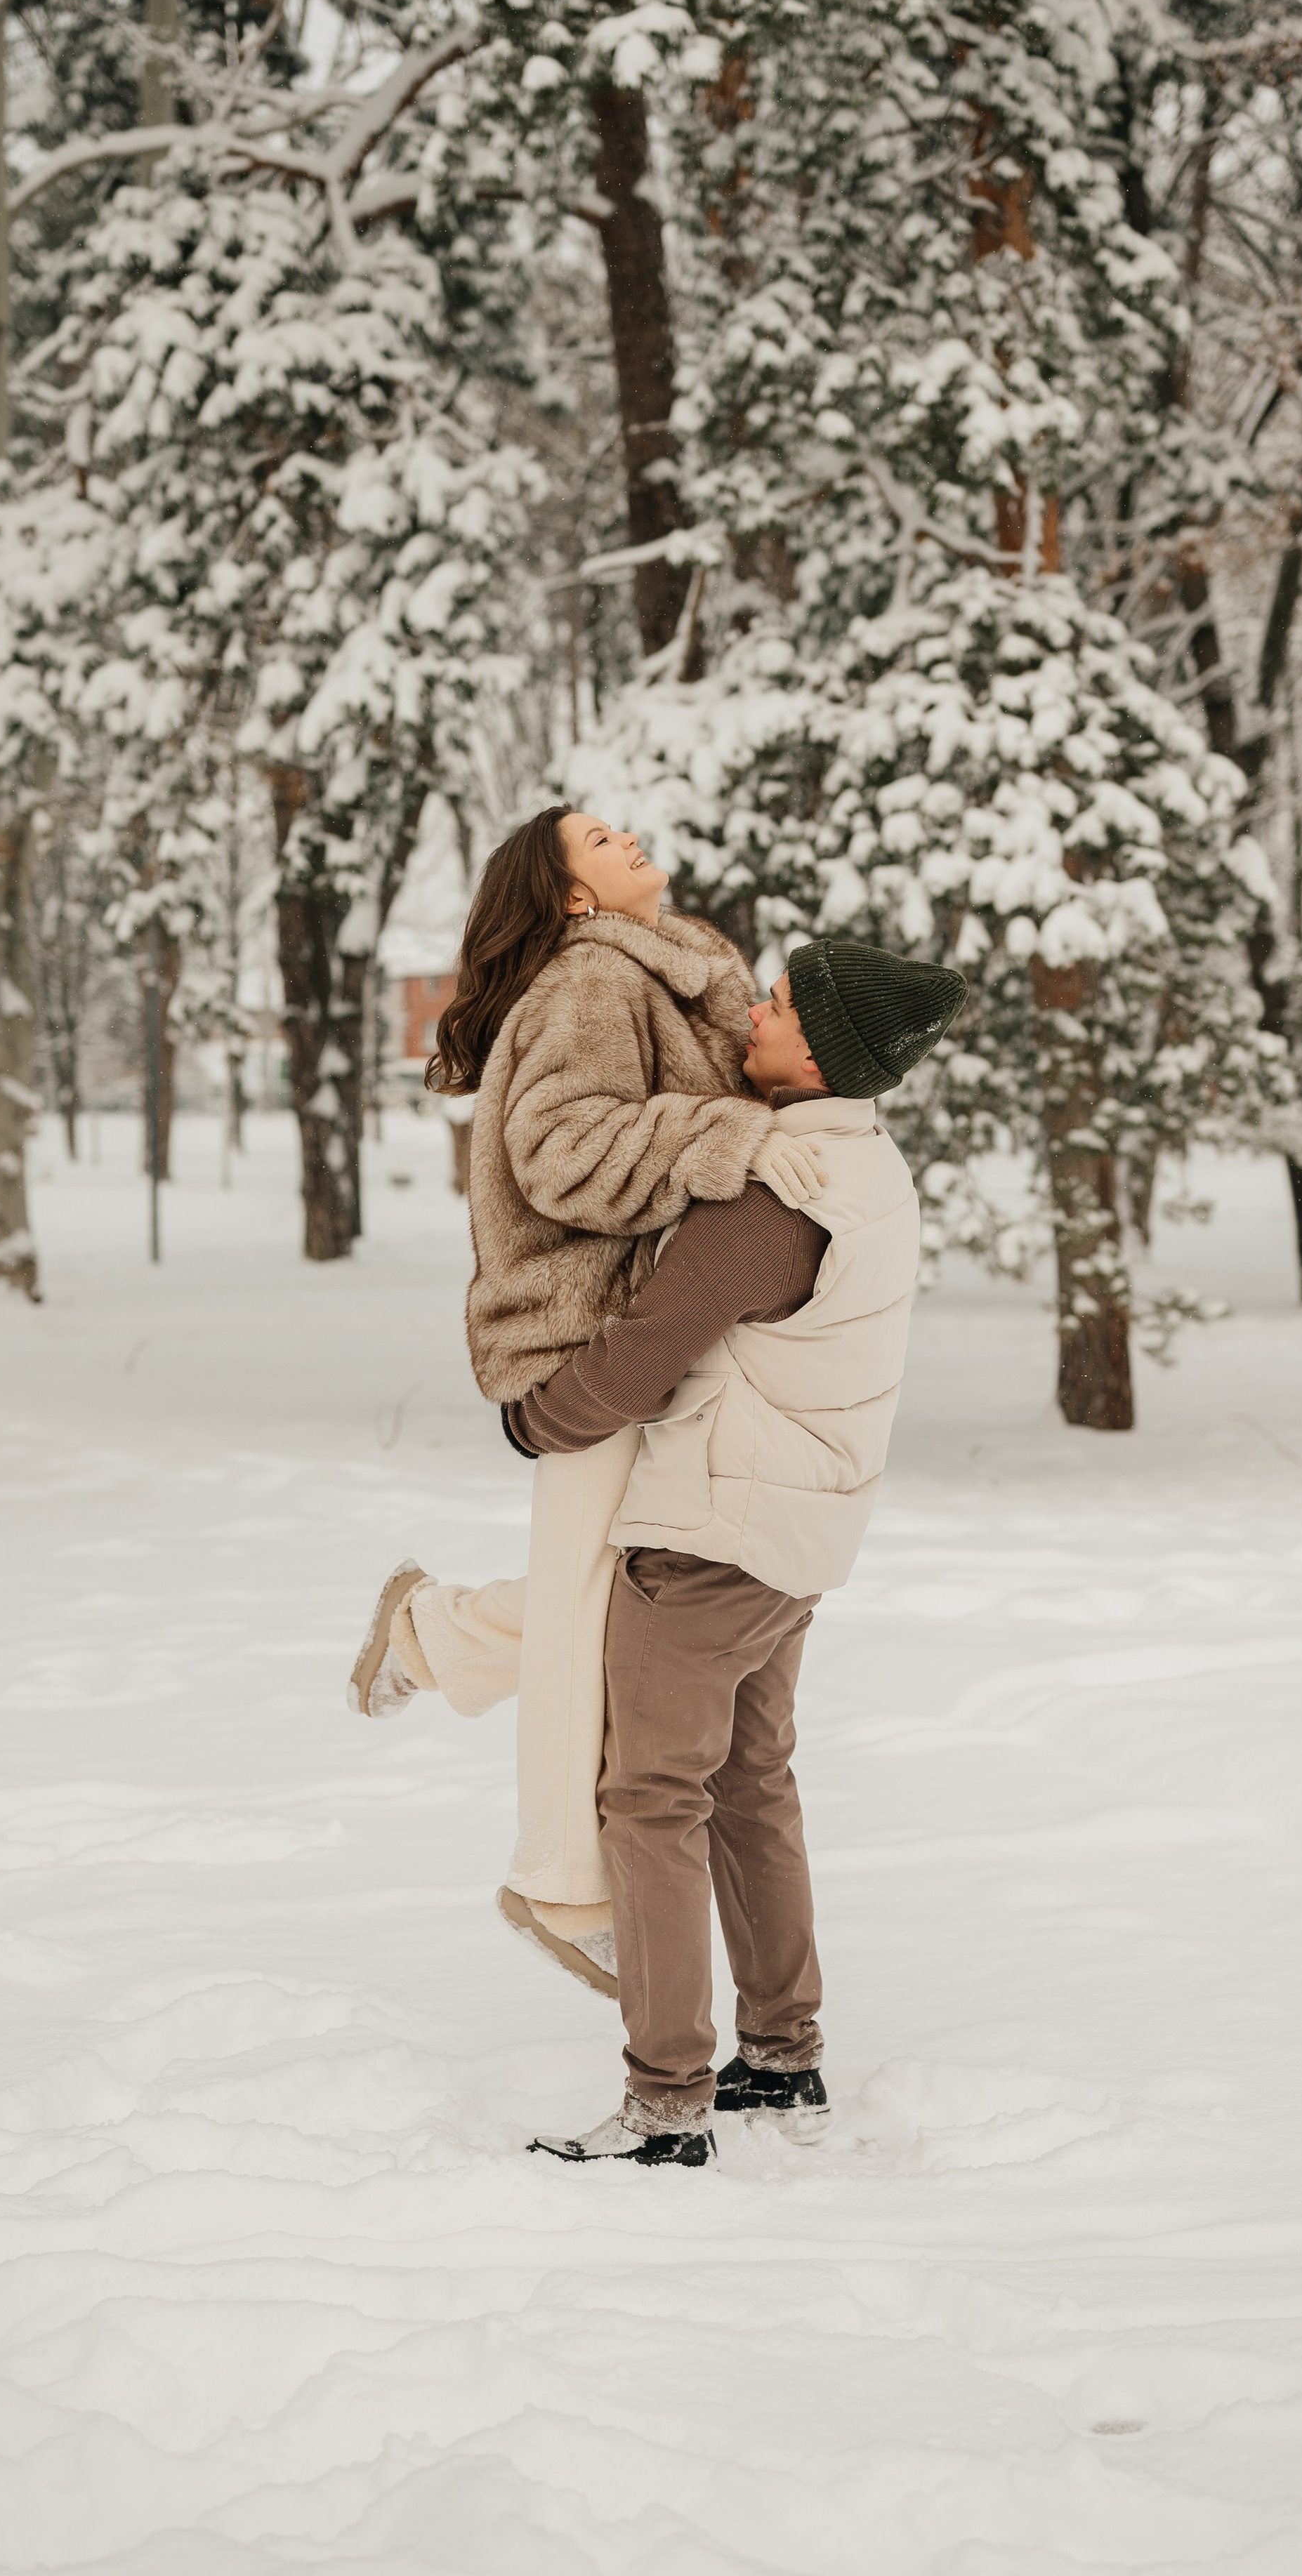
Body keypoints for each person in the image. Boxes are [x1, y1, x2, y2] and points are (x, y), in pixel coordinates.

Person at [345, 807, 833, 1989]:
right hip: (586, 1342)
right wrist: (728, 1138)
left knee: (612, 1602)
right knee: (589, 1612)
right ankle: (562, 1885)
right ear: (572, 898)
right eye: (601, 842)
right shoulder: (589, 982)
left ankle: (430, 1634)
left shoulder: (675, 967)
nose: (629, 840)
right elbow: (562, 1152)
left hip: (654, 1336)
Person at [506, 937, 967, 2167]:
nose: (753, 1013)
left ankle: (666, 2102)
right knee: (751, 1784)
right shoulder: (868, 1165)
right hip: (798, 1536)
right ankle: (782, 2055)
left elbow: (650, 1347)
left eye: (776, 1004)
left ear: (817, 1054)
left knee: (651, 1801)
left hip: (712, 1535)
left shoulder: (779, 1199)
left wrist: (539, 1421)